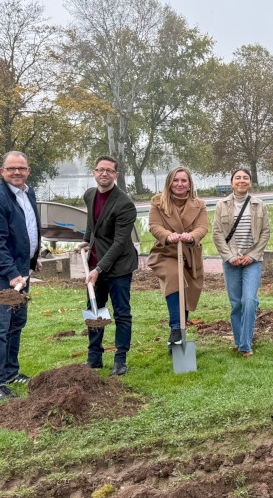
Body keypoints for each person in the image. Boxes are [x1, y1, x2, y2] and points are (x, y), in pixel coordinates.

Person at [0, 151, 40, 399]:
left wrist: (32, 259)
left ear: (28, 171)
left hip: (20, 271)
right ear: (2, 172)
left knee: (16, 322)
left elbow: (28, 228)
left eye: (21, 168)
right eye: (11, 168)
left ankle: (11, 372)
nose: (16, 172)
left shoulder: (28, 193)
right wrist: (12, 274)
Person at [75, 155, 139, 376]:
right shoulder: (89, 195)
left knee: (122, 313)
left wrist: (99, 269)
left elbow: (120, 243)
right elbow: (92, 223)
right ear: (94, 172)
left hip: (119, 267)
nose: (104, 173)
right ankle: (94, 358)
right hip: (95, 263)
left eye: (109, 170)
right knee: (95, 309)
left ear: (116, 175)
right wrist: (86, 240)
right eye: (100, 169)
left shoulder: (125, 204)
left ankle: (120, 360)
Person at [146, 167, 208, 348]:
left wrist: (192, 236)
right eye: (175, 180)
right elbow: (154, 226)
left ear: (189, 184)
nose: (179, 184)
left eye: (183, 180)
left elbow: (202, 227)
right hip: (166, 252)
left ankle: (179, 336)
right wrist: (168, 235)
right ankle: (175, 328)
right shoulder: (158, 202)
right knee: (175, 277)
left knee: (186, 294)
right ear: (169, 182)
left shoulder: (199, 205)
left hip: (190, 254)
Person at [212, 168, 270, 357]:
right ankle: (239, 342)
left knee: (249, 300)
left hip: (252, 260)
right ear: (232, 183)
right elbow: (217, 234)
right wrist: (230, 257)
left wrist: (252, 255)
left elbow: (265, 232)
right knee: (236, 303)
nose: (242, 180)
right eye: (238, 178)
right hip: (231, 261)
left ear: (250, 182)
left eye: (245, 178)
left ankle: (245, 345)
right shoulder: (221, 205)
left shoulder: (259, 205)